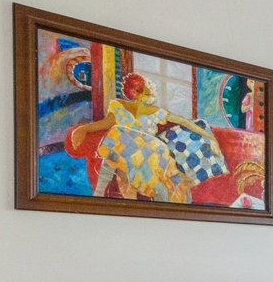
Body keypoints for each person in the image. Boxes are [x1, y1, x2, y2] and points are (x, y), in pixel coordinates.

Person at [66, 72, 227, 202]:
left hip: (153, 156)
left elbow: (184, 121)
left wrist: (211, 138)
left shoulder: (156, 112)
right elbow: (104, 124)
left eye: (143, 91)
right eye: (137, 90)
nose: (141, 94)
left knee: (119, 133)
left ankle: (100, 192)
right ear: (132, 92)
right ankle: (100, 193)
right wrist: (84, 129)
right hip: (131, 159)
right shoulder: (119, 106)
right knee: (118, 134)